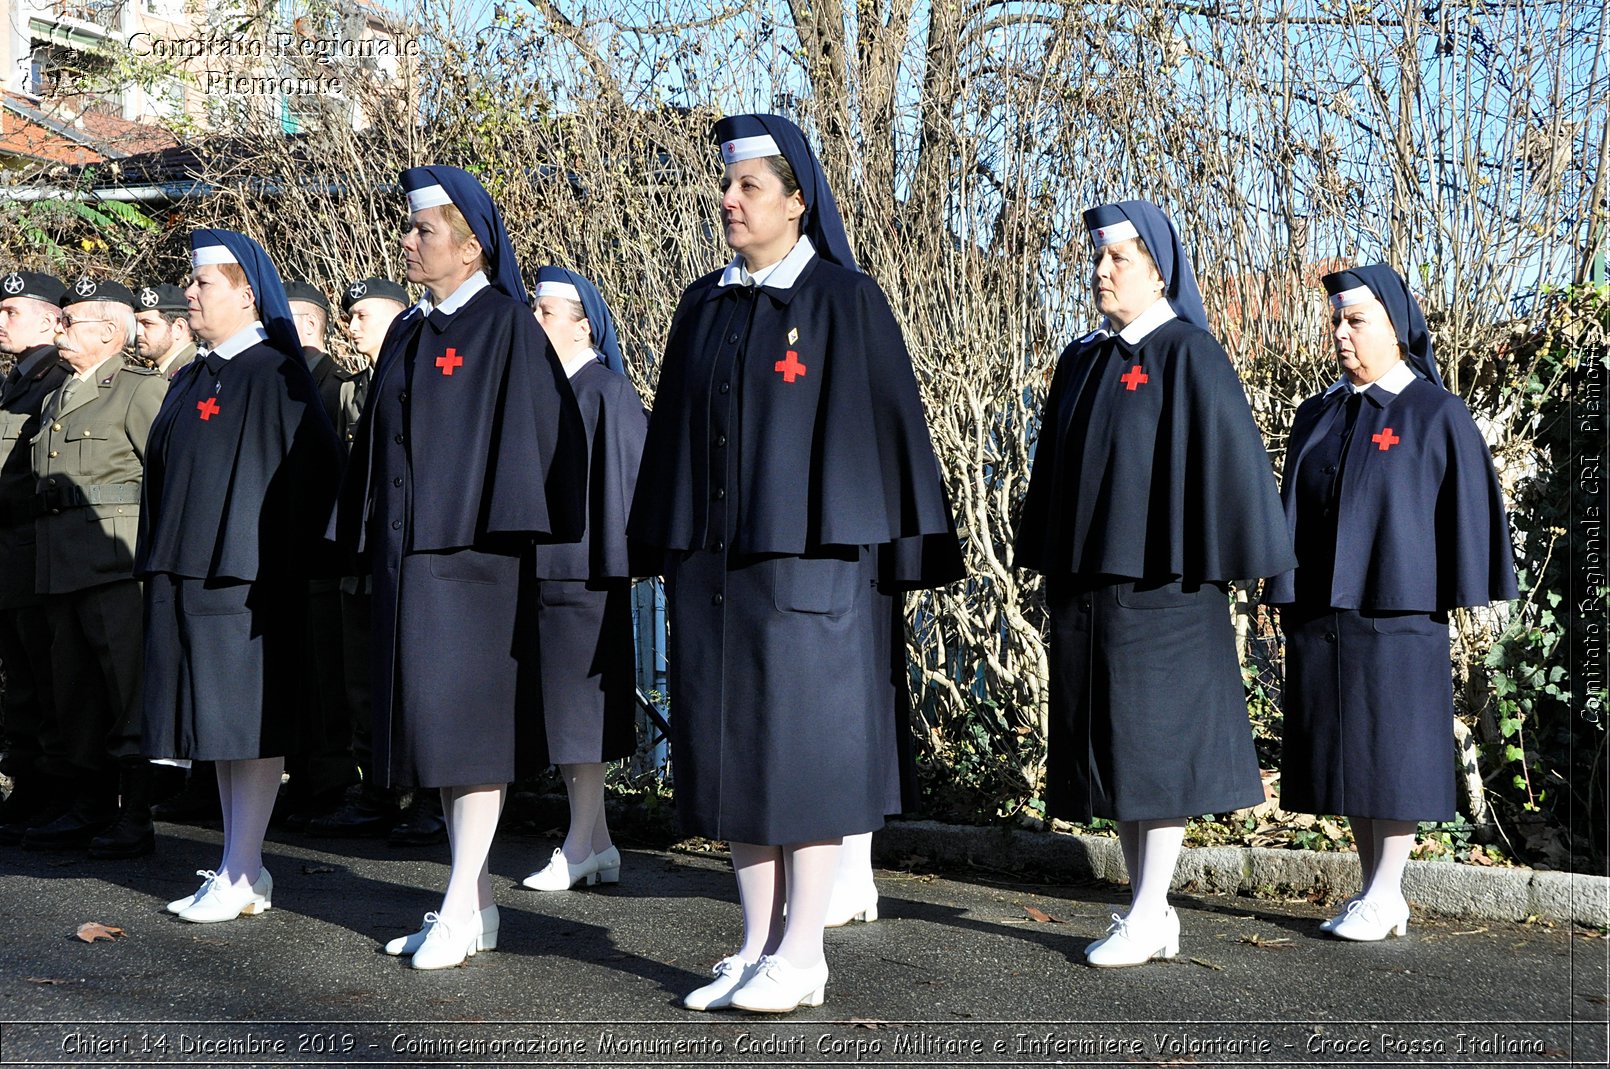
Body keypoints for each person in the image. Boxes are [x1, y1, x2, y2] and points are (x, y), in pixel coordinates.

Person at [628, 114, 962, 1013]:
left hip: (812, 573)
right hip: (717, 572)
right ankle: (755, 944)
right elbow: (670, 445)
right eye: (725, 188)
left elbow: (885, 438)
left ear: (797, 201)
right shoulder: (704, 303)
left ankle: (805, 952)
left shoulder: (844, 301)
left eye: (748, 189)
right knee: (732, 753)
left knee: (801, 758)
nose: (728, 202)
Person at [1015, 200, 1295, 967]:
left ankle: (1149, 908)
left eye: (1119, 261)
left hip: (1165, 594)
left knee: (1157, 752)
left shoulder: (1188, 354)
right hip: (1093, 591)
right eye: (1097, 260)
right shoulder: (1084, 359)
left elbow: (1230, 472)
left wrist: (1231, 565)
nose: (1101, 274)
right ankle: (1146, 908)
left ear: (1159, 268)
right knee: (1118, 753)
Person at [333, 165, 585, 970]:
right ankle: (472, 905)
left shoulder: (508, 324)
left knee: (470, 738)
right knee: (436, 739)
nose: (407, 241)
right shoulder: (409, 329)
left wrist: (494, 527)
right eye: (408, 228)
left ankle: (460, 899)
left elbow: (548, 442)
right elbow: (377, 438)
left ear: (471, 245)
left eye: (424, 231)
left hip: (475, 564)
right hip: (412, 558)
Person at [1265, 264, 1517, 941]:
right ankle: (1376, 890)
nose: (1341, 334)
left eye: (1357, 321)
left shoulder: (1434, 412)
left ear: (1397, 328)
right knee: (1348, 755)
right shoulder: (1317, 413)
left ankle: (1385, 891)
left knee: (1392, 754)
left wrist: (1465, 592)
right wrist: (1283, 586)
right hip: (1327, 614)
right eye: (1337, 322)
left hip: (1401, 613)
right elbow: (1291, 509)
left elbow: (1465, 510)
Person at [138, 229, 340, 923]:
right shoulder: (197, 373)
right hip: (190, 573)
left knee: (249, 723)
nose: (188, 294)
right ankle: (234, 861)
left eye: (203, 284)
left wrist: (266, 561)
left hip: (250, 582)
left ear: (246, 294)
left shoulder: (275, 374)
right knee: (215, 727)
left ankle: (247, 865)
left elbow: (311, 479)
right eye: (190, 283)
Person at [22, 279, 165, 858]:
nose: (59, 330)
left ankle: (136, 816)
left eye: (70, 321)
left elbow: (165, 477)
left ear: (109, 333)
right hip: (61, 568)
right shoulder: (61, 394)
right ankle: (88, 805)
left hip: (115, 567)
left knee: (125, 693)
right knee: (74, 694)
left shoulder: (136, 390)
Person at [520, 266, 646, 892]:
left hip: (584, 576)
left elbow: (626, 487)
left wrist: (609, 564)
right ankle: (593, 841)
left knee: (581, 714)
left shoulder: (604, 391)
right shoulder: (548, 388)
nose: (536, 320)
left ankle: (581, 844)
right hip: (545, 572)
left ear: (583, 322)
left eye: (546, 311)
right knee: (562, 714)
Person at [308, 276, 445, 845]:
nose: (351, 326)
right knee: (362, 680)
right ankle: (378, 791)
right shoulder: (348, 390)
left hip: (404, 552)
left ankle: (431, 797)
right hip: (359, 554)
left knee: (416, 679)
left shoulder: (423, 379)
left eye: (363, 315)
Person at [279, 279, 360, 829]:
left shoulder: (333, 386)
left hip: (322, 554)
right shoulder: (286, 382)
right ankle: (305, 774)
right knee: (297, 674)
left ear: (307, 325)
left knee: (327, 674)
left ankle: (330, 779)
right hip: (287, 555)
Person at [0, 271, 70, 842]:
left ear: (50, 320)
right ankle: (30, 785)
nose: (1, 322)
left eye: (12, 311)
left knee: (43, 674)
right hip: (12, 548)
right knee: (21, 674)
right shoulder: (18, 380)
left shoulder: (54, 381)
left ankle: (51, 787)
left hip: (33, 545)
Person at [133, 284, 197, 382]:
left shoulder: (195, 374)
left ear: (179, 328)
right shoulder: (168, 374)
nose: (138, 332)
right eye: (135, 324)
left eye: (147, 324)